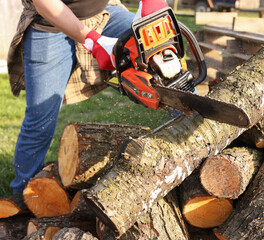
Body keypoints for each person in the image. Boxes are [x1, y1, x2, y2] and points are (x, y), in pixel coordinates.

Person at [7, 0, 168, 194]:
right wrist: (92, 40)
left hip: (104, 14)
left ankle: (193, 136)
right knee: (41, 117)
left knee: (162, 56)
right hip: (50, 24)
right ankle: (24, 195)